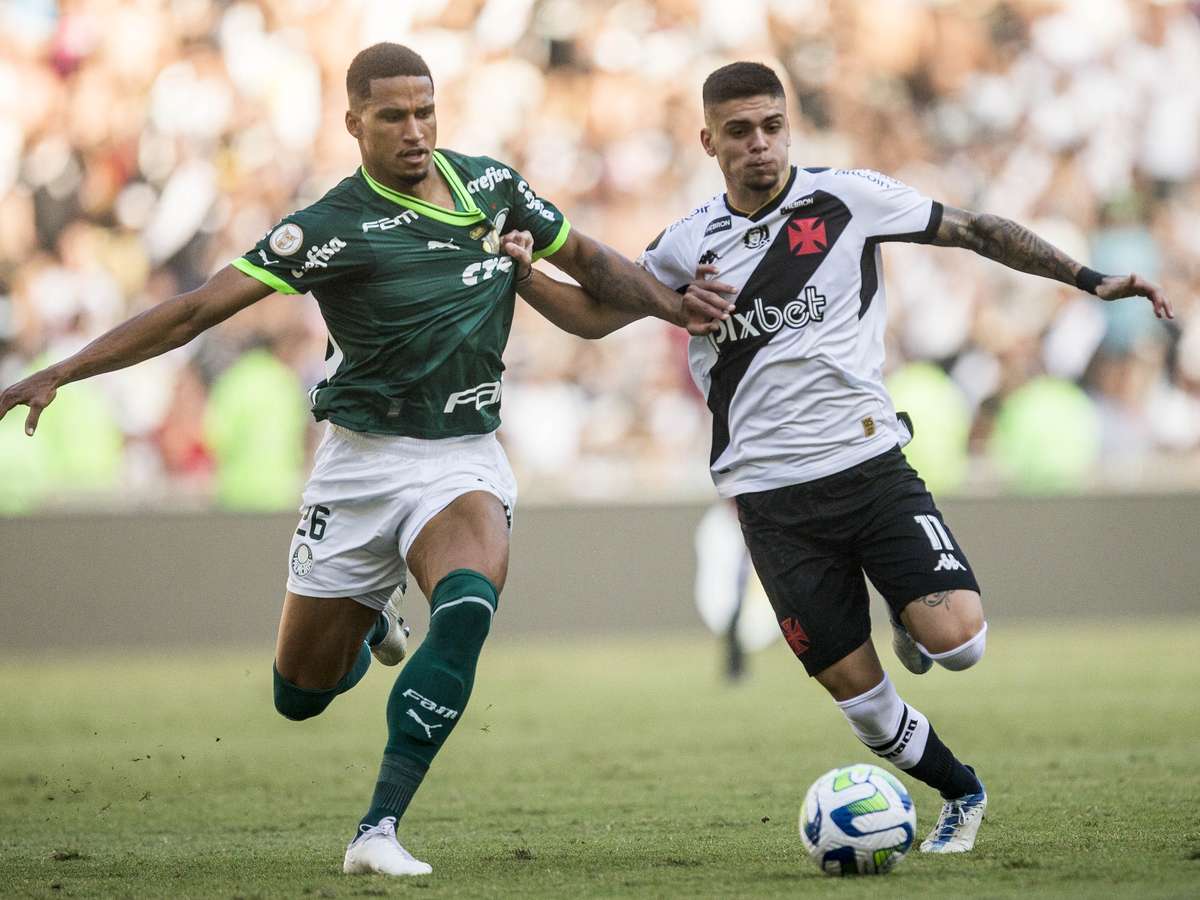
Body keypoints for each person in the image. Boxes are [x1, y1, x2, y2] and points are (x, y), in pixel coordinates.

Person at [0, 43, 729, 878]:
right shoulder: (328, 228)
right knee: (300, 694)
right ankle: (376, 619)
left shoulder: (492, 188)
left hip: (462, 457)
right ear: (354, 123)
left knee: (466, 606)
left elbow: (593, 268)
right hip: (359, 466)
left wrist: (677, 308)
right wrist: (62, 371)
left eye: (425, 112)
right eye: (392, 116)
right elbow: (195, 311)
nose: (414, 131)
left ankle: (377, 828)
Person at [503, 61, 1172, 855]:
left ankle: (910, 620)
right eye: (741, 131)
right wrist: (523, 277)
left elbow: (976, 230)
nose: (761, 144)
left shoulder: (847, 198)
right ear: (709, 141)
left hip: (868, 466)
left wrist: (1089, 279)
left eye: (773, 126)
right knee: (860, 700)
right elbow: (593, 316)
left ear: (789, 126)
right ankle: (962, 792)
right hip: (770, 499)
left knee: (961, 644)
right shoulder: (686, 244)